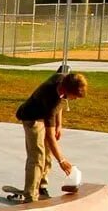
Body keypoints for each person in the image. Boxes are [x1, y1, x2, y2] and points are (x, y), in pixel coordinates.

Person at [12, 71, 88, 201]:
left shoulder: (62, 78)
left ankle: (41, 187)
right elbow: (50, 137)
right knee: (37, 157)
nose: (74, 99)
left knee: (47, 156)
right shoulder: (51, 100)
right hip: (32, 118)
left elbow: (61, 101)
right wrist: (62, 161)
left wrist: (59, 124)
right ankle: (31, 196)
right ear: (67, 90)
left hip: (44, 113)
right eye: (74, 96)